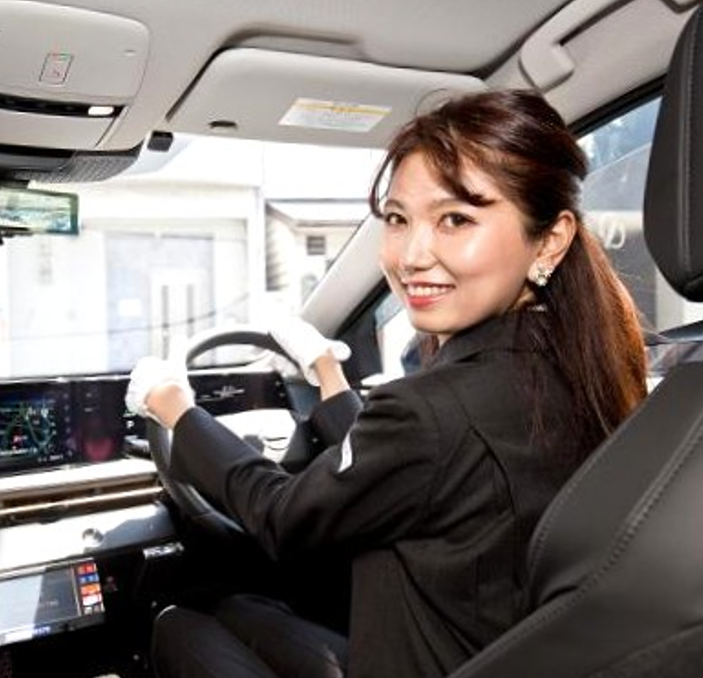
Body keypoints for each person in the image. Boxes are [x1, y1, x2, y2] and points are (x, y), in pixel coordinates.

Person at [124, 89, 647, 678]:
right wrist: (328, 375)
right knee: (242, 610)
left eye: (455, 219)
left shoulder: (433, 411)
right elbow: (413, 467)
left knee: (178, 626)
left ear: (549, 239)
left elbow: (282, 515)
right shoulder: (582, 369)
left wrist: (176, 409)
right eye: (398, 219)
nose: (411, 256)